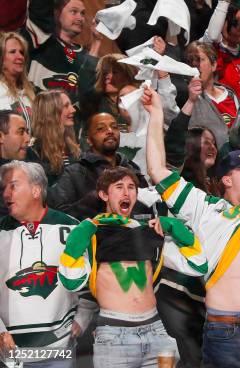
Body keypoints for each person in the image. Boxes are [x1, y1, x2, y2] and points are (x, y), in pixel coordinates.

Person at [145, 86, 240, 367]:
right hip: (228, 329)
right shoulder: (206, 208)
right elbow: (157, 171)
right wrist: (155, 114)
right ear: (227, 180)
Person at [58, 166, 206, 368]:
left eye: (131, 187)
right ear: (103, 194)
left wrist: (175, 228)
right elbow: (71, 280)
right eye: (119, 187)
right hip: (114, 335)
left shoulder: (149, 232)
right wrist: (78, 239)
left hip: (156, 330)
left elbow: (197, 264)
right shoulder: (93, 233)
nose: (126, 192)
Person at [0, 161, 91, 368]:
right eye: (3, 188)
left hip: (59, 348)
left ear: (36, 190)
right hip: (10, 351)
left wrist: (82, 319)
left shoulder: (71, 228)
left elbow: (89, 282)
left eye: (13, 186)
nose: (6, 194)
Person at [48, 112, 151, 221]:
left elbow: (147, 210)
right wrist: (93, 199)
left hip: (132, 234)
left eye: (114, 127)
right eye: (101, 129)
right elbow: (60, 216)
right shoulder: (74, 173)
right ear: (88, 139)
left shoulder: (132, 169)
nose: (110, 131)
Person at [22, 0, 102, 102]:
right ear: (55, 13)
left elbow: (88, 93)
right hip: (42, 114)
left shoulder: (87, 55)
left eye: (82, 13)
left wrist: (97, 41)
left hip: (74, 115)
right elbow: (39, 9)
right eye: (74, 11)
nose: (80, 18)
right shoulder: (41, 41)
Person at [200, 1, 240, 119]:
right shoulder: (213, 53)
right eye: (234, 22)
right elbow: (212, 35)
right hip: (217, 128)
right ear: (222, 23)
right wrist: (224, 3)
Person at [185, 41, 240, 129]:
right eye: (190, 60)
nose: (194, 64)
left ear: (213, 65)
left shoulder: (231, 95)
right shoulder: (186, 96)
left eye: (198, 59)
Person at [27, 90, 80, 186]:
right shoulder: (35, 151)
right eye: (66, 106)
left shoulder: (72, 145)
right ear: (50, 113)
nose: (73, 110)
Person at [0, 32, 35, 130]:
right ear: (1, 59)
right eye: (12, 52)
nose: (20, 57)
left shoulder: (30, 93)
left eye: (21, 52)